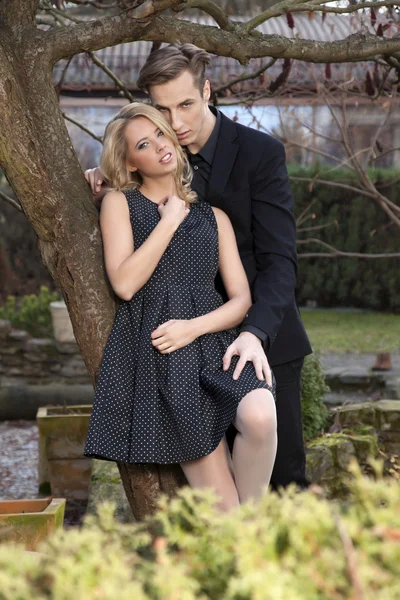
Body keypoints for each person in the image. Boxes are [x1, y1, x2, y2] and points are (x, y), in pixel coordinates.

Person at [85, 44, 313, 490]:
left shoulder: (258, 153)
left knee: (285, 480)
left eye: (187, 104)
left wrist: (254, 332)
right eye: (164, 110)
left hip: (258, 339)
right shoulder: (162, 156)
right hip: (180, 353)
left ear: (207, 91)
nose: (177, 122)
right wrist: (104, 170)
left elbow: (280, 262)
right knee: (208, 494)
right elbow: (139, 167)